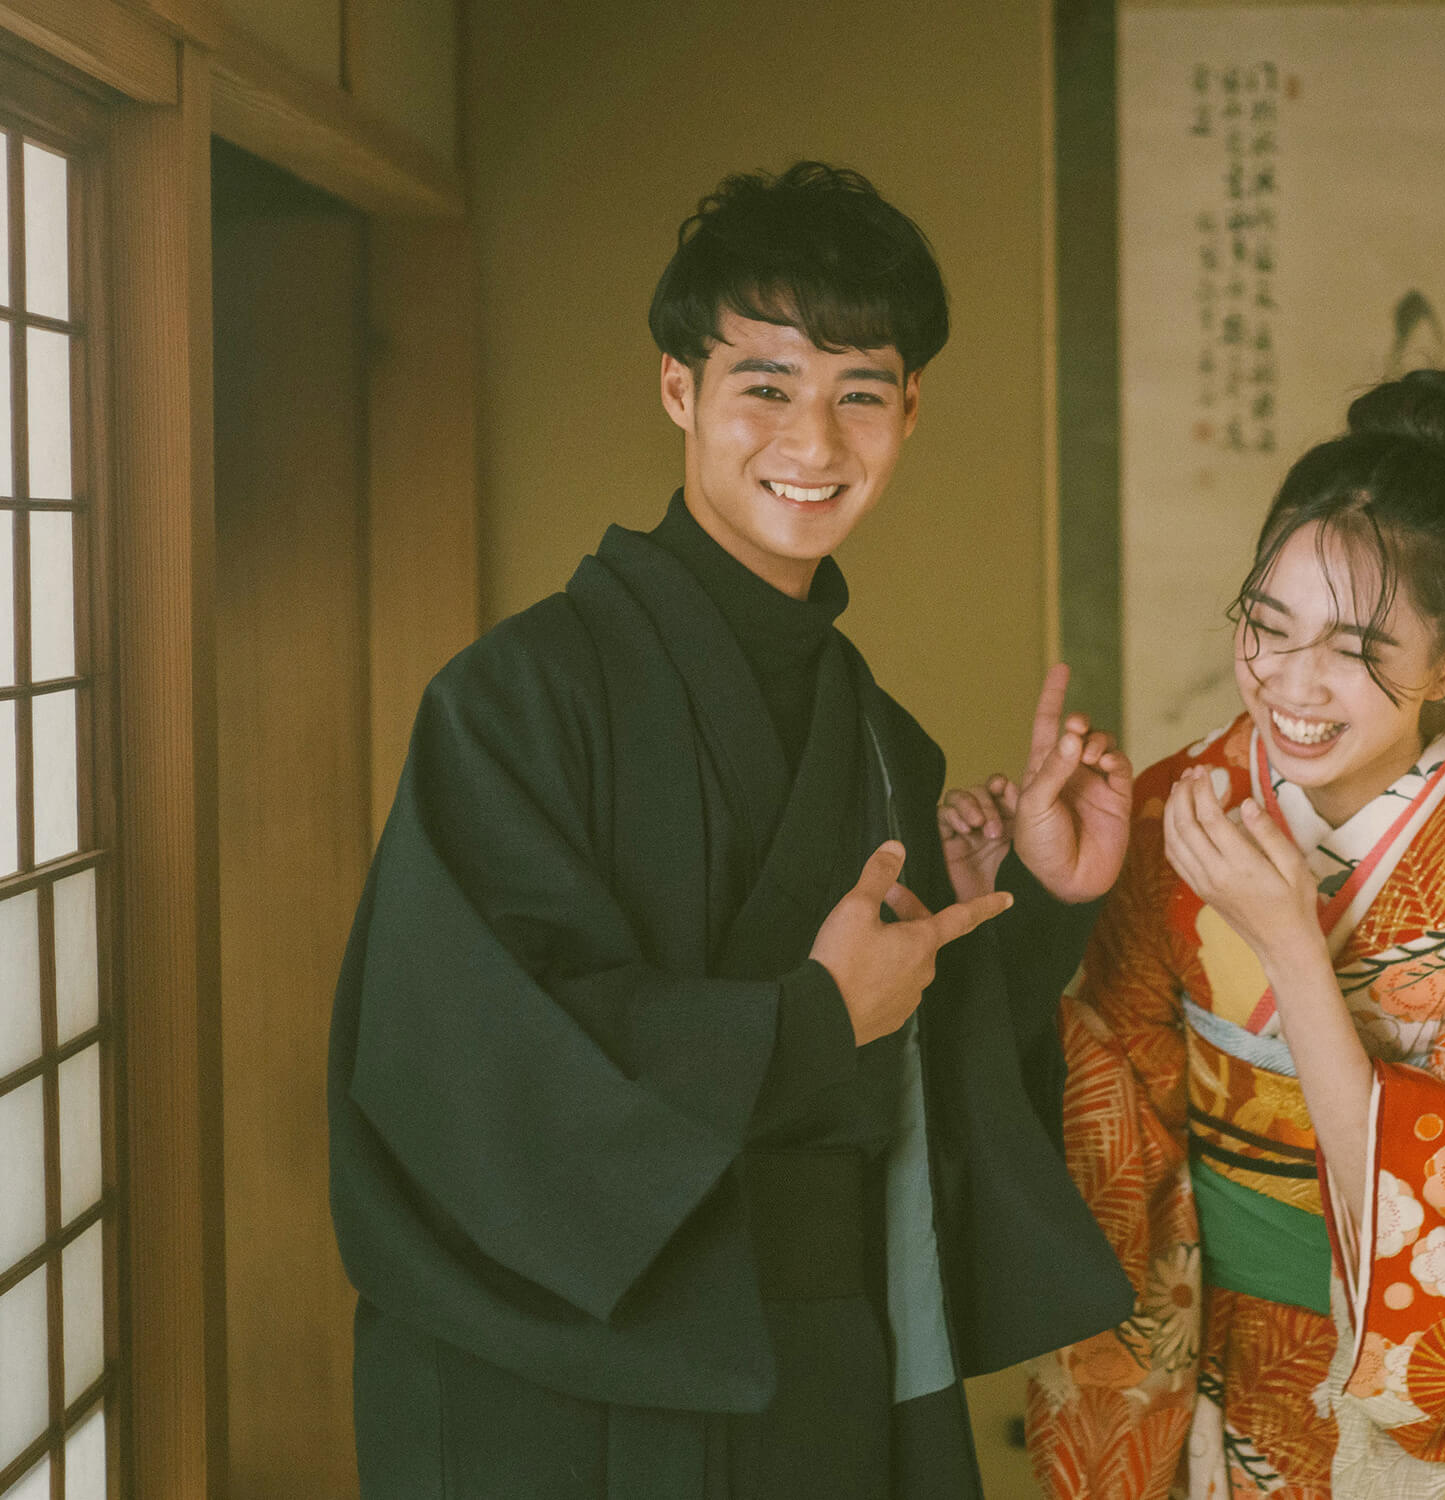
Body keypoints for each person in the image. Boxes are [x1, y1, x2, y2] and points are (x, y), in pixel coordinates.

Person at [328, 161, 1134, 1500]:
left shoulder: (880, 739)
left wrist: (1038, 899)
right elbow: (465, 1056)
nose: (813, 444)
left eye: (858, 393)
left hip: (810, 1367)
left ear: (909, 410)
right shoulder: (515, 698)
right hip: (563, 1369)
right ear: (678, 388)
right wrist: (809, 1021)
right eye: (766, 384)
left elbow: (923, 1077)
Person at [943, 370, 1445, 1497]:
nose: (1291, 683)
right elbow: (1105, 1108)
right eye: (1267, 626)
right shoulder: (1173, 809)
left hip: (1406, 1379)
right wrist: (1037, 903)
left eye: (1354, 648)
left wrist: (1292, 947)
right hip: (1215, 1359)